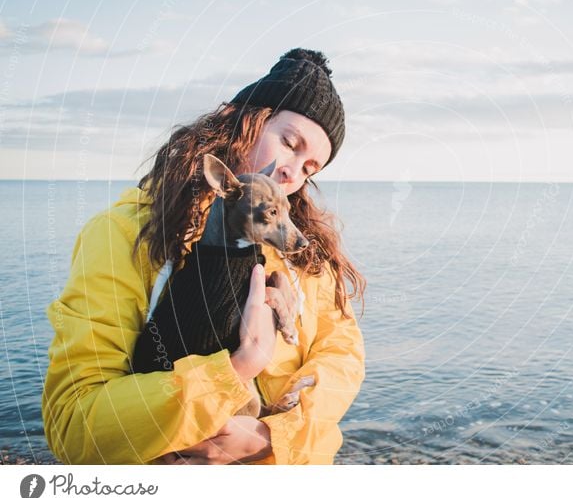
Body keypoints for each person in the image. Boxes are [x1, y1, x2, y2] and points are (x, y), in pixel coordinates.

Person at [42, 48, 366, 465]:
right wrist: (238, 367)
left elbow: (343, 358)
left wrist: (270, 435)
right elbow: (74, 425)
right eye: (288, 142)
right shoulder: (126, 234)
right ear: (238, 119)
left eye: (310, 168)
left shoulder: (306, 259)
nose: (293, 172)